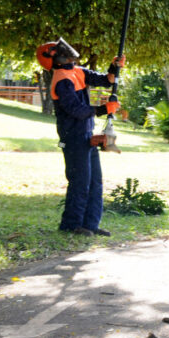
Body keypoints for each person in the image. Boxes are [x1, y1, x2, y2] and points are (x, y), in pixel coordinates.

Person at [37, 38, 124, 236]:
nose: (67, 52)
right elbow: (76, 110)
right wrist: (103, 109)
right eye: (60, 51)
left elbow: (106, 80)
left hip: (86, 133)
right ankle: (71, 225)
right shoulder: (61, 79)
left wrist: (114, 66)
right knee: (80, 182)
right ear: (55, 58)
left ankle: (90, 225)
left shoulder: (77, 71)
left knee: (95, 181)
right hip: (73, 137)